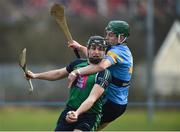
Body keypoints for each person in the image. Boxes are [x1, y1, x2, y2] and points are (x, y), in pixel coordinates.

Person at [25, 35, 111, 131]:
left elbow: (92, 99)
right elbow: (58, 74)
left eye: (100, 49)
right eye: (93, 48)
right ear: (88, 49)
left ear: (105, 52)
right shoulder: (77, 64)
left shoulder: (104, 73)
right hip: (69, 111)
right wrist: (35, 75)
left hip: (90, 116)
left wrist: (77, 113)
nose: (96, 52)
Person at [68, 20, 133, 129]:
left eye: (111, 35)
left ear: (121, 38)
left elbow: (100, 66)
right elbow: (96, 56)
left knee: (80, 124)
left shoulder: (117, 52)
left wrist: (77, 72)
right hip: (116, 102)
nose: (107, 37)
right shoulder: (118, 49)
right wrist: (79, 47)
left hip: (111, 103)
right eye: (107, 34)